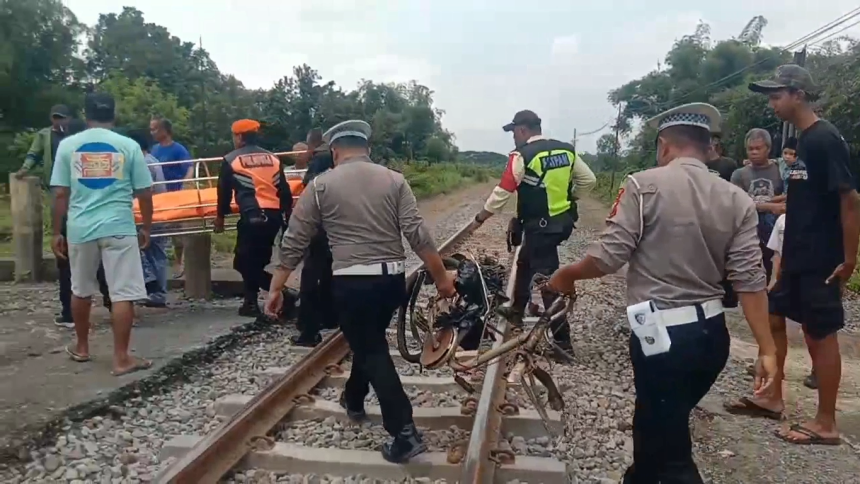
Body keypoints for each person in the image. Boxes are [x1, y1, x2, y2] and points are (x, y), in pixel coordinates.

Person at [547, 102, 778, 483]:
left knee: (669, 452)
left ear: (664, 145)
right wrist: (766, 349)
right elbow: (750, 280)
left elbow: (609, 256)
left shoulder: (643, 184)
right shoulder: (738, 198)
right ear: (706, 147)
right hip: (712, 340)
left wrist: (567, 275)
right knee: (657, 428)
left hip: (662, 339)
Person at [263, 120, 456, 463]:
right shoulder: (395, 179)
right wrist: (441, 277)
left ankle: (404, 433)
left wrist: (276, 287)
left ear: (335, 151)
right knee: (370, 341)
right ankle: (354, 397)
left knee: (370, 349)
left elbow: (295, 240)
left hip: (352, 283)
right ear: (367, 148)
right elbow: (418, 234)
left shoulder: (320, 185)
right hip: (392, 281)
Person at [727, 64, 859, 446]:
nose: (771, 103)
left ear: (798, 94)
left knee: (820, 334)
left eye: (776, 95)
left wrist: (849, 259)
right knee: (773, 317)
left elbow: (850, 201)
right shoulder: (803, 141)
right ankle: (771, 395)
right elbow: (803, 198)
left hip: (821, 256)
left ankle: (826, 423)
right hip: (796, 252)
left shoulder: (825, 139)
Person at [471, 110, 596, 359]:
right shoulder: (566, 150)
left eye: (513, 132)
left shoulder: (522, 155)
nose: (513, 138)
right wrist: (571, 198)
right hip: (563, 223)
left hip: (541, 227)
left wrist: (480, 218)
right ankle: (517, 310)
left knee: (547, 282)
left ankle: (562, 344)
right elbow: (588, 180)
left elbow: (503, 190)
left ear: (522, 130)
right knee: (525, 260)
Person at [50, 92, 154, 376]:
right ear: (114, 114)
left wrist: (56, 231)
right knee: (122, 293)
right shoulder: (128, 145)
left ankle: (82, 348)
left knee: (80, 289)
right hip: (119, 227)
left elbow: (60, 192)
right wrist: (146, 225)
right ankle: (121, 358)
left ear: (86, 116)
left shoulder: (68, 145)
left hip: (80, 228)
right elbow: (144, 192)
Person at [214, 119, 293, 318]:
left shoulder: (231, 159)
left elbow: (223, 192)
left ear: (239, 137)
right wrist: (287, 219)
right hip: (273, 217)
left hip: (252, 215)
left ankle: (284, 293)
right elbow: (284, 191)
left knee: (242, 263)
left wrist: (220, 216)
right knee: (256, 262)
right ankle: (250, 303)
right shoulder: (273, 158)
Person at [52, 119, 113, 328]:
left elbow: (61, 193)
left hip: (76, 220)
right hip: (103, 218)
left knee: (69, 271)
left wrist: (56, 230)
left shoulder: (66, 153)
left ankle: (70, 315)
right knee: (103, 267)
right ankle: (115, 305)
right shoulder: (97, 155)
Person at [293, 129, 338, 347]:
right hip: (341, 227)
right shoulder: (338, 158)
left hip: (320, 227)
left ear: (312, 145)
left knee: (310, 276)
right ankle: (330, 317)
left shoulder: (319, 160)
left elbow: (310, 190)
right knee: (330, 273)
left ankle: (308, 330)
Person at [730, 128, 785, 285]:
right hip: (749, 231)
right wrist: (770, 206)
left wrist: (761, 206)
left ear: (768, 149)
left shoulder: (780, 170)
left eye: (758, 148)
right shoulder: (739, 174)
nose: (753, 152)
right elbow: (739, 204)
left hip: (776, 231)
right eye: (750, 149)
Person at [128, 131, 170, 308]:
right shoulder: (153, 160)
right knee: (157, 253)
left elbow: (144, 191)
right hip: (162, 211)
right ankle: (157, 291)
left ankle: (153, 287)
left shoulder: (142, 163)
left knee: (141, 249)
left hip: (148, 213)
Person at [149, 117, 192, 278]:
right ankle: (158, 264)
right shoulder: (154, 149)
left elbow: (189, 167)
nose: (152, 132)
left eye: (155, 129)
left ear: (165, 130)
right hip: (158, 195)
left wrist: (184, 184)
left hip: (174, 195)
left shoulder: (178, 149)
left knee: (177, 231)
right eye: (151, 129)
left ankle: (179, 262)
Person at [15, 105, 71, 186]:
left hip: (71, 176)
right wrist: (25, 168)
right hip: (53, 178)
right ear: (51, 118)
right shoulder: (44, 134)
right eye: (55, 118)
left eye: (61, 118)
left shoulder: (74, 134)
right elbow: (34, 153)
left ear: (67, 119)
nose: (58, 121)